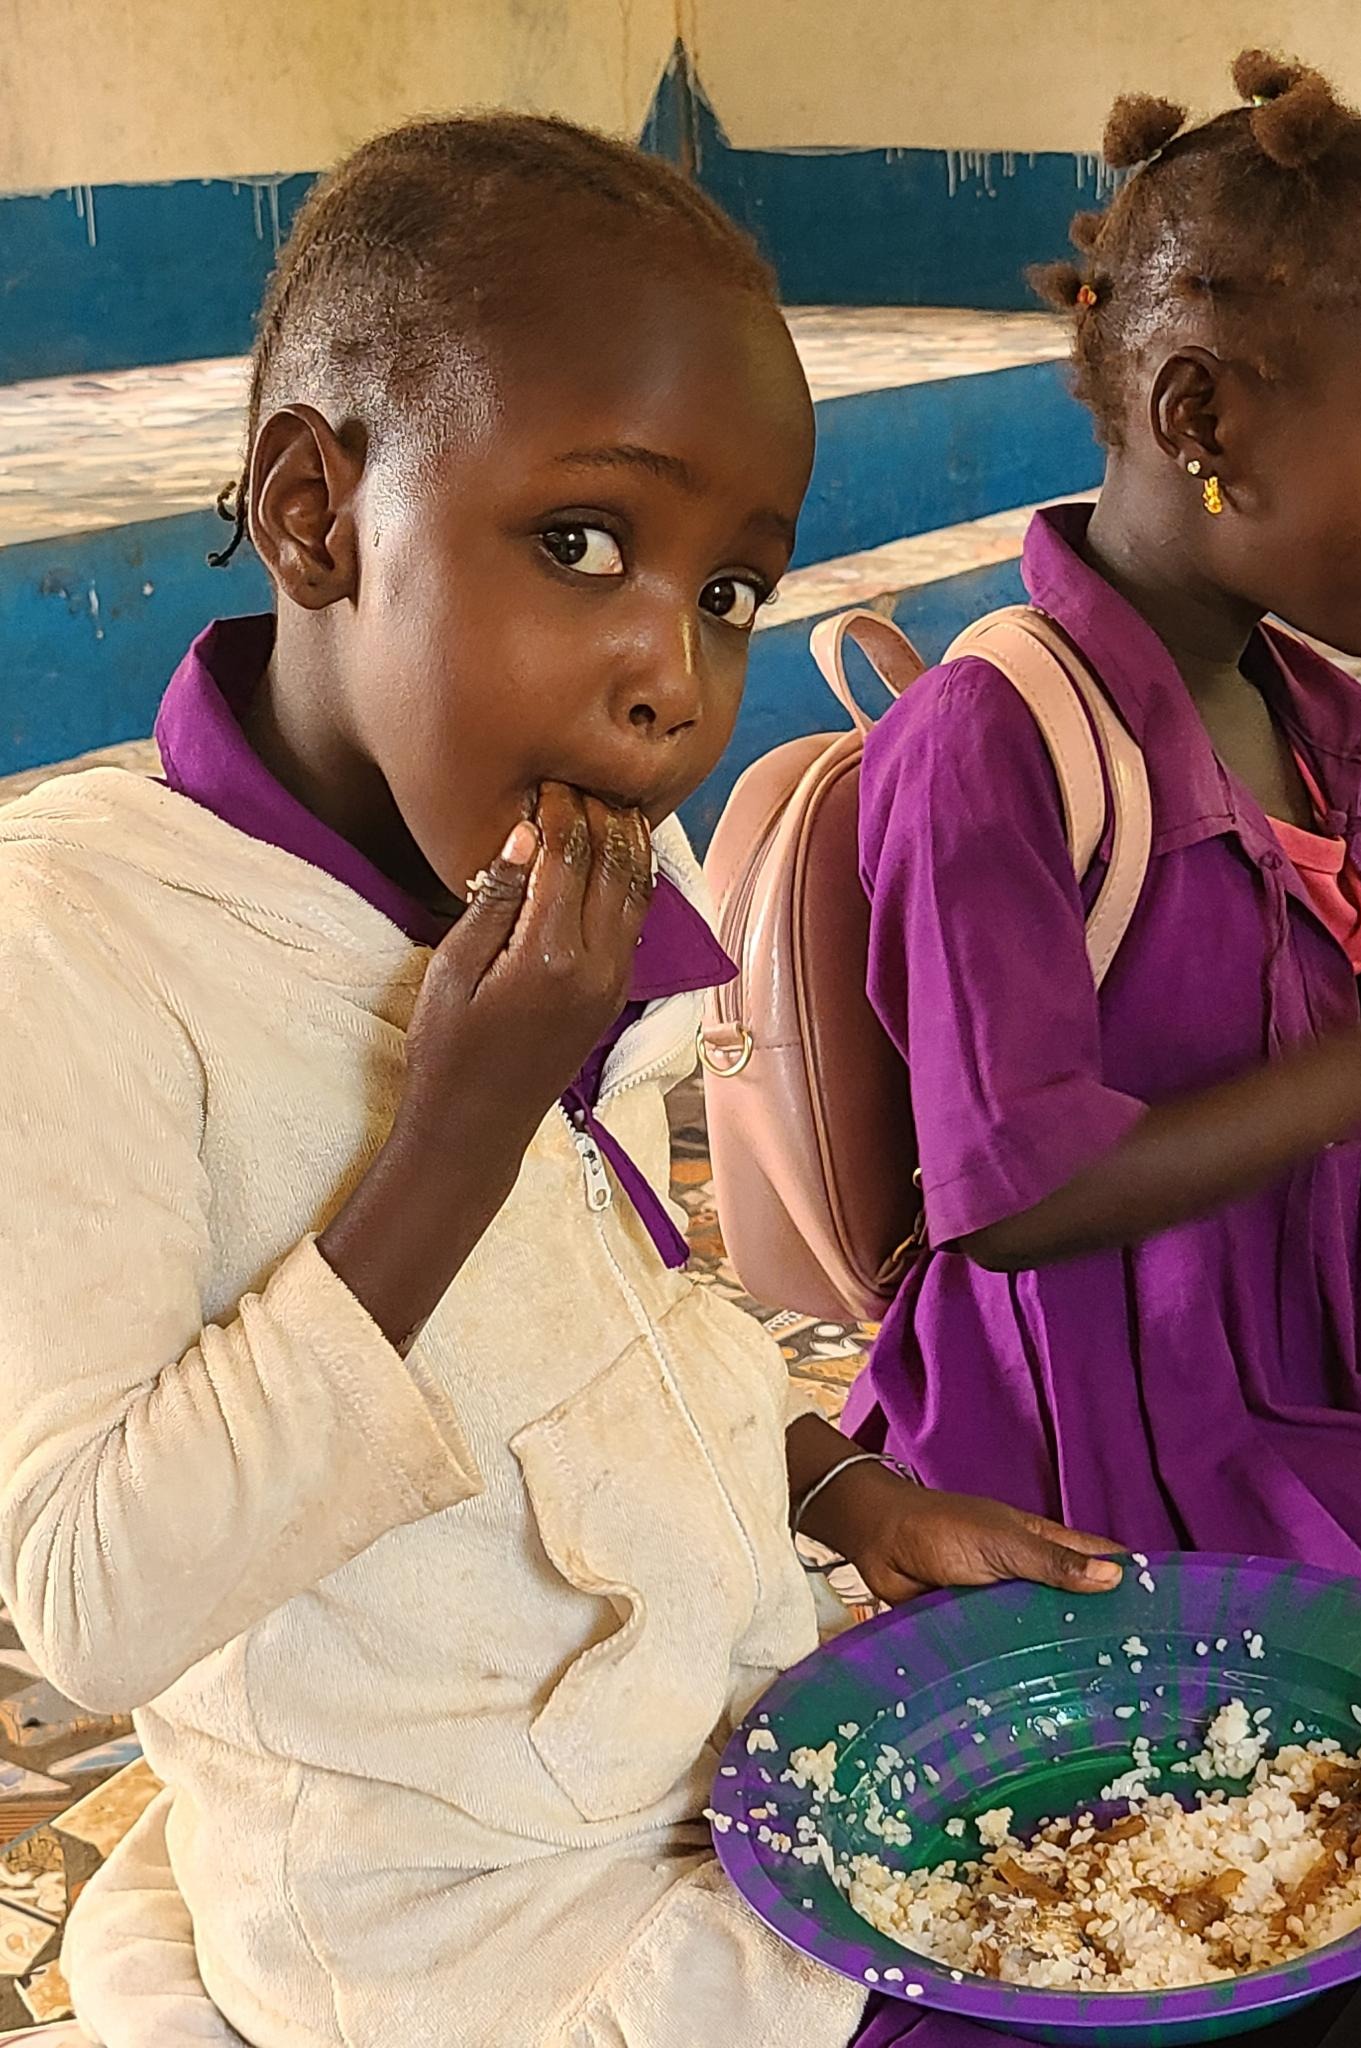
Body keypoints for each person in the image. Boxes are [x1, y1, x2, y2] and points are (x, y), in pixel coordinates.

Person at [0, 116, 1125, 2048]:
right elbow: (91, 1605)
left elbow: (584, 1335)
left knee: (1179, 1875)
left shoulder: (541, 865)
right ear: (314, 511)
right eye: (583, 544)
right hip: (461, 1923)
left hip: (699, 1755)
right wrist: (461, 1123)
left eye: (729, 595)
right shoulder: (77, 952)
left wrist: (842, 1491)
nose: (672, 677)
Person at [843, 52, 1361, 1681]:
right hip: (1104, 1441)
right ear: (1201, 414)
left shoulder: (1332, 731)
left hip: (1324, 1359)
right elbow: (1017, 1198)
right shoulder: (990, 741)